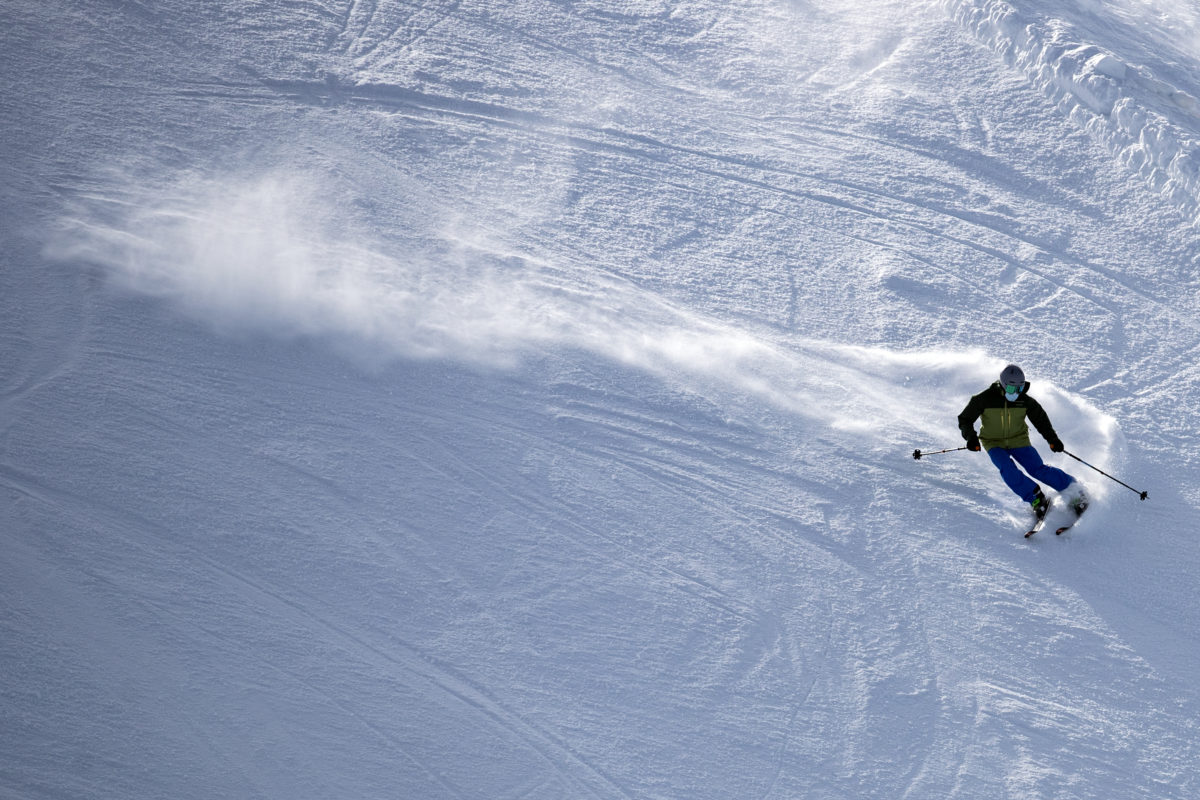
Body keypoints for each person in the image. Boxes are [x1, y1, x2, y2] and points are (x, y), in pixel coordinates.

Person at [958, 364, 1086, 518]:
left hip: (1019, 440)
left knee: (1037, 468)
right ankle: (1036, 498)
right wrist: (971, 438)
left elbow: (1041, 420)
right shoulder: (983, 399)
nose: (1016, 393)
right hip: (993, 442)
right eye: (1012, 389)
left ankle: (1073, 491)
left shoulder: (1025, 401)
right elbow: (965, 419)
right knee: (1007, 469)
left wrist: (1053, 440)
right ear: (1003, 385)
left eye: (1020, 389)